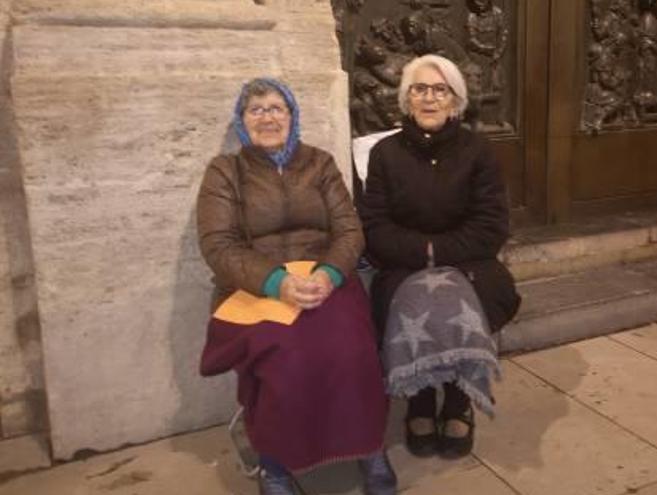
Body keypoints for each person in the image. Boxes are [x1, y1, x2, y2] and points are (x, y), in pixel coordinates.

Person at [196, 78, 397, 495]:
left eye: (277, 108)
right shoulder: (225, 172)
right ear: (241, 120)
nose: (268, 116)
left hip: (326, 278)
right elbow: (218, 245)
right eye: (256, 109)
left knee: (351, 347)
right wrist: (276, 282)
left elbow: (349, 230)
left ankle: (369, 447)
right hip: (254, 288)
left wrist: (329, 274)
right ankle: (275, 464)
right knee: (282, 354)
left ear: (292, 115)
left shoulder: (319, 163)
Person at [359, 55, 521, 458]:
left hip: (470, 263)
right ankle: (418, 397)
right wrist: (422, 252)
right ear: (406, 98)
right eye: (419, 89)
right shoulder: (385, 154)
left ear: (455, 100)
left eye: (440, 89)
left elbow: (490, 225)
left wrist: (440, 252)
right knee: (415, 299)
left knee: (456, 298)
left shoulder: (478, 151)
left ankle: (456, 399)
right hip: (402, 264)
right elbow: (374, 226)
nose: (429, 99)